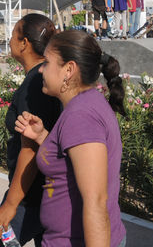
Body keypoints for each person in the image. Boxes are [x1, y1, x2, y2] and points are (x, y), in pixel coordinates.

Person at [15, 29, 127, 247]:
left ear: (69, 69)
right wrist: (42, 137)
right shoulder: (86, 103)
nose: (41, 71)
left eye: (47, 63)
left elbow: (96, 203)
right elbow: (70, 160)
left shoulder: (81, 116)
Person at [0, 14, 61, 247]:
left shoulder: (35, 83)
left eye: (13, 34)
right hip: (44, 192)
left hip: (30, 195)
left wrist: (10, 204)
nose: (9, 40)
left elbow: (31, 147)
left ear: (24, 43)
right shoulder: (43, 78)